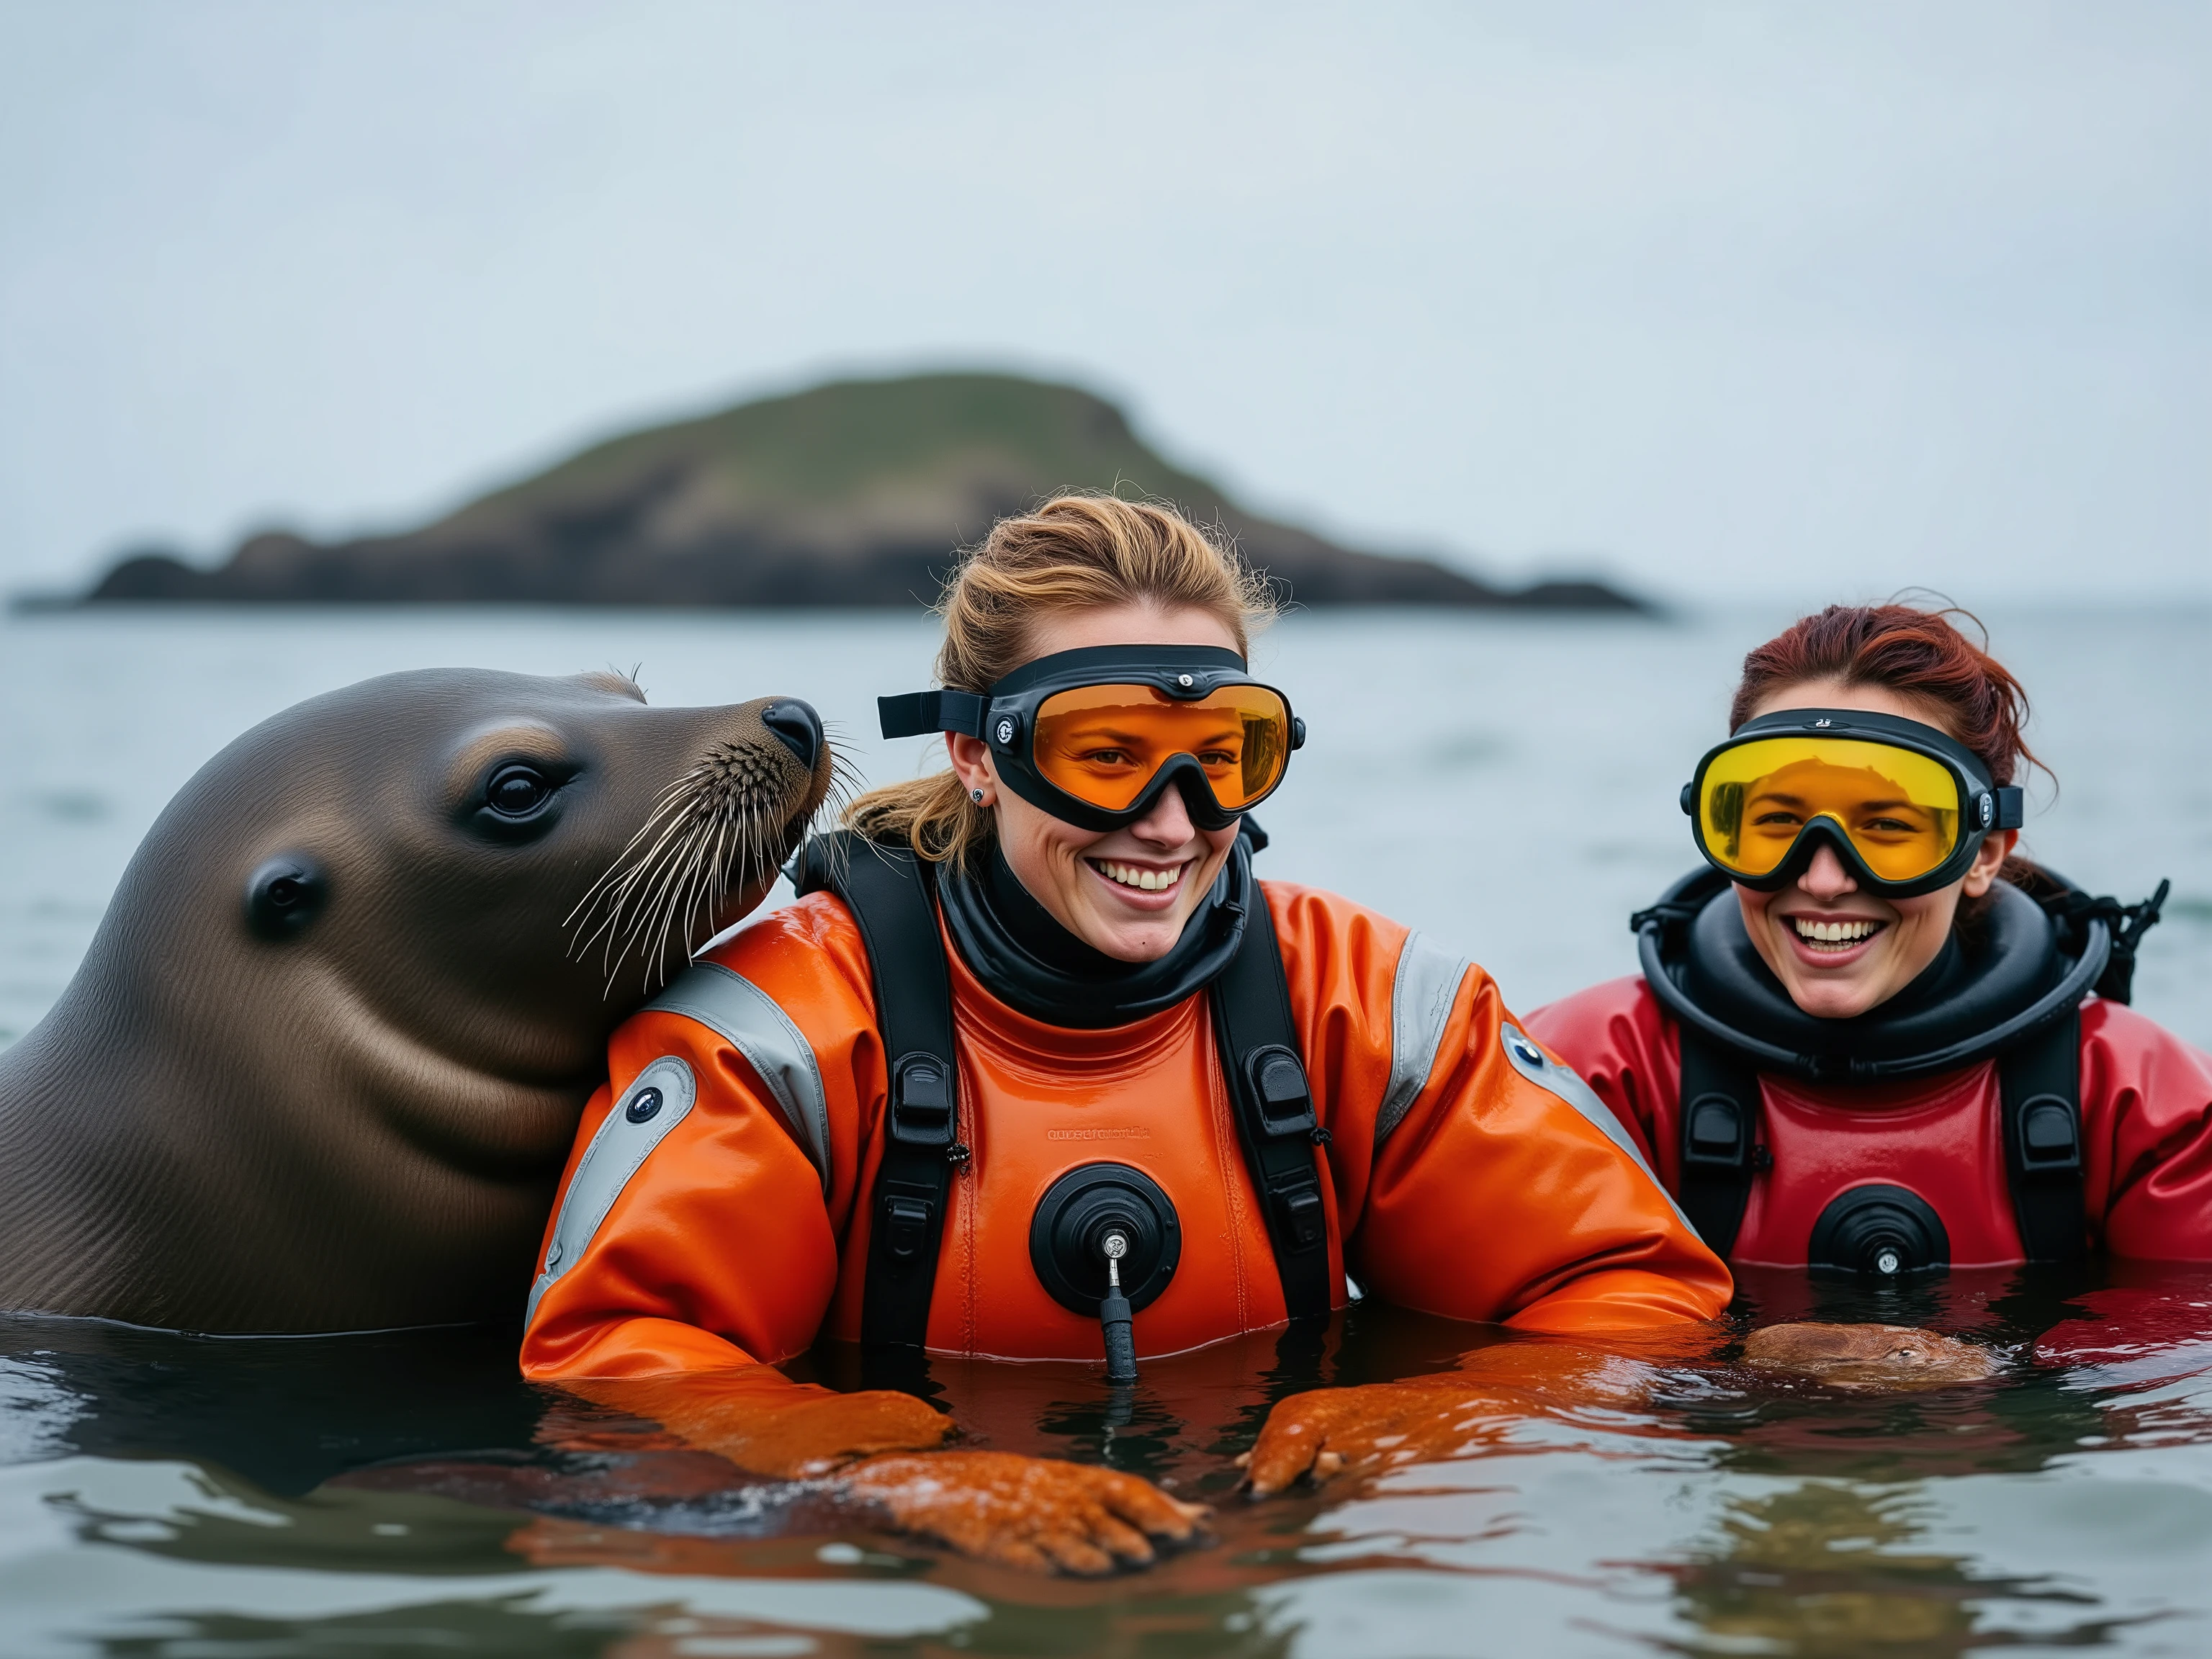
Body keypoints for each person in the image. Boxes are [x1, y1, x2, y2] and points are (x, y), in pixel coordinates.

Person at [521, 495, 1731, 1571]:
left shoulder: (1366, 1000)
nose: (1169, 821)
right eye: (1102, 754)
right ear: (971, 751)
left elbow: (1638, 1293)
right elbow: (619, 1363)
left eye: (1222, 757)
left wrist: (1445, 1412)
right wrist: (892, 1472)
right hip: (923, 1577)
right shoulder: (782, 1031)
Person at [1527, 603, 2210, 1275]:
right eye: (1777, 821)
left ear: (1984, 855)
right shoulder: (1589, 1073)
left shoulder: (2142, 1103)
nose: (1824, 878)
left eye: (1886, 827)